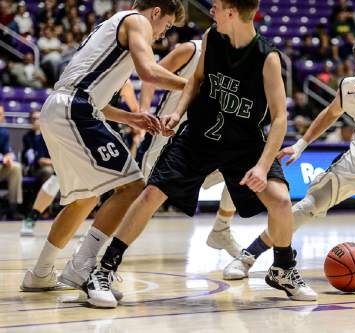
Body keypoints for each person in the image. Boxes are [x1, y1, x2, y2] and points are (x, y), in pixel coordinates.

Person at [85, 0, 317, 308]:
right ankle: (104, 269)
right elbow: (196, 80)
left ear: (232, 12)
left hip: (244, 144)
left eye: (218, 7)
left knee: (281, 201)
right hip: (198, 135)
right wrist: (177, 112)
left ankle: (283, 268)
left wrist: (262, 167)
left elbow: (279, 119)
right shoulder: (211, 37)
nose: (212, 11)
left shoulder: (267, 58)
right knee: (151, 193)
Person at [223, 39, 355, 289]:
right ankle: (247, 256)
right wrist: (301, 144)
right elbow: (330, 114)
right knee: (309, 205)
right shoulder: (348, 88)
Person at [20, 0, 187, 299]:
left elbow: (92, 94)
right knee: (134, 187)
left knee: (86, 198)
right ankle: (81, 267)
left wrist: (130, 116)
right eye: (167, 26)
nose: (163, 34)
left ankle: (41, 273)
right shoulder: (137, 20)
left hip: (64, 108)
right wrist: (194, 86)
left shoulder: (112, 26)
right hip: (74, 109)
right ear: (156, 12)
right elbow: (150, 72)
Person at [137, 40, 242, 258]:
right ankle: (96, 245)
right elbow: (150, 76)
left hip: (199, 138)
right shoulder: (192, 49)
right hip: (165, 133)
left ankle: (222, 228)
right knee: (137, 195)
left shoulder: (237, 60)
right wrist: (144, 110)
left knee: (241, 170)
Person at [19, 79, 141, 237]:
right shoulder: (92, 74)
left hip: (107, 134)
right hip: (83, 129)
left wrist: (137, 126)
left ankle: (102, 228)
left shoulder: (124, 82)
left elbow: (135, 109)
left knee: (118, 182)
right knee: (58, 178)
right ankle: (32, 217)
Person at [0, 104, 23, 220]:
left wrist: (8, 158)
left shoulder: (3, 132)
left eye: (1, 114)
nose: (1, 117)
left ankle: (13, 207)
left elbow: (7, 151)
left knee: (16, 167)